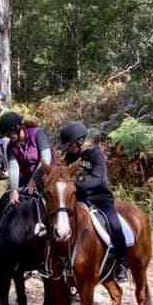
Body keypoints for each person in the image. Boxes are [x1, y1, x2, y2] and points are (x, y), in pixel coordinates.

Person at [59, 121, 127, 284]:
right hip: (80, 199)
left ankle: (121, 264)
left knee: (115, 225)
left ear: (79, 142)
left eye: (69, 145)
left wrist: (74, 183)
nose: (67, 149)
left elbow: (97, 179)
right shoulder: (70, 157)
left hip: (100, 199)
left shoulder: (95, 154)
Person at [0, 112, 54, 206]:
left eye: (9, 134)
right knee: (6, 201)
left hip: (48, 176)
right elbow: (13, 168)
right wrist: (14, 190)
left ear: (17, 128)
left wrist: (34, 181)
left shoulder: (38, 134)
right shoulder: (10, 147)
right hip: (26, 179)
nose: (8, 138)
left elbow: (46, 160)